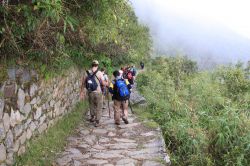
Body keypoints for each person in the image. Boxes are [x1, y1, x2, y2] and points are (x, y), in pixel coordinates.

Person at [80, 60, 106, 127]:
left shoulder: (87, 72)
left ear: (91, 65)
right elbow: (103, 83)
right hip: (98, 92)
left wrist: (81, 92)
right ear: (97, 65)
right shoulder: (100, 73)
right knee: (98, 106)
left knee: (91, 104)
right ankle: (97, 121)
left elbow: (83, 82)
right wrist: (106, 83)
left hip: (90, 92)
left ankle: (92, 117)